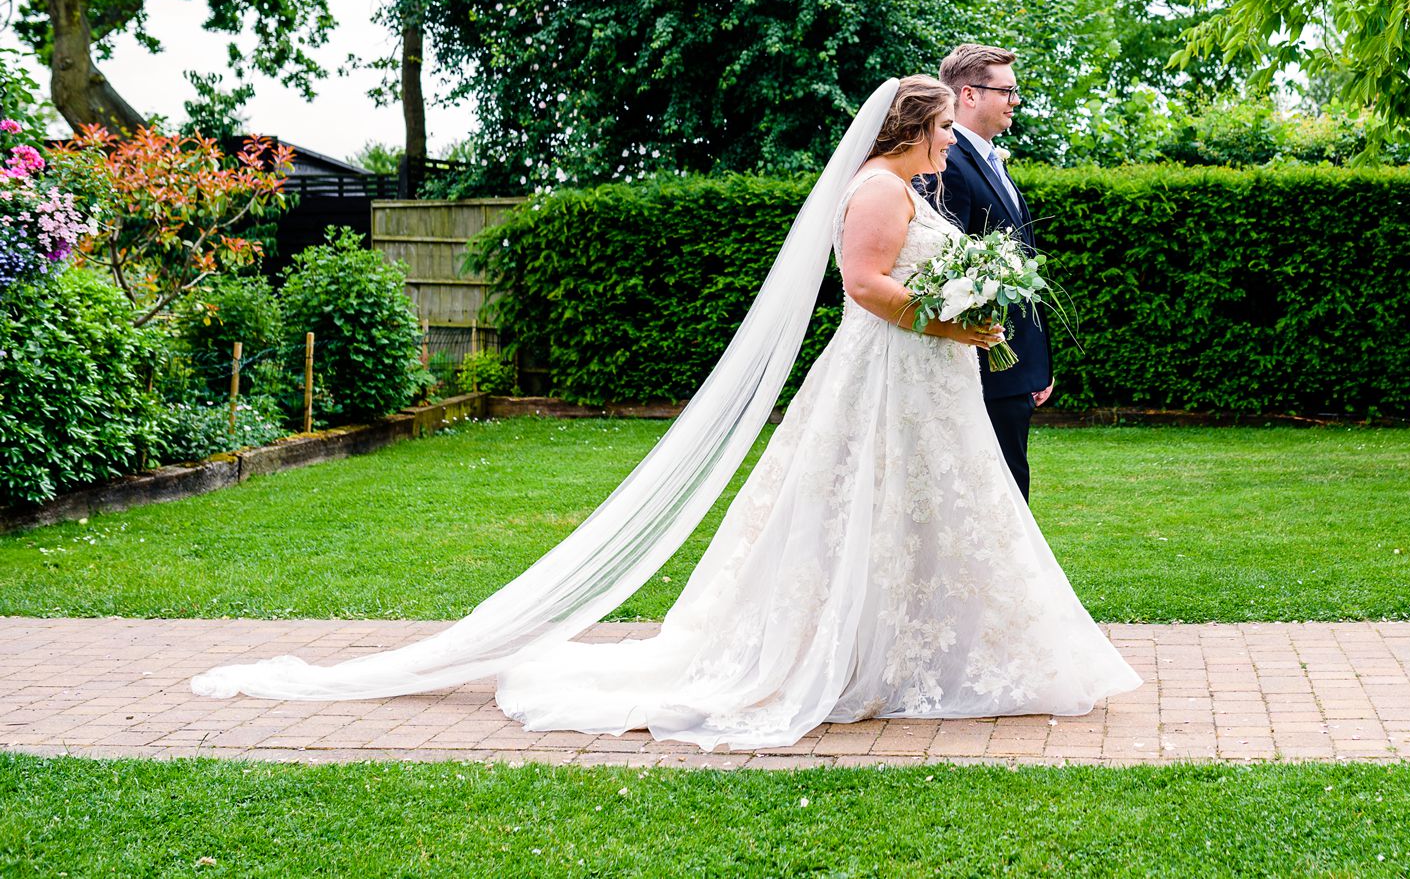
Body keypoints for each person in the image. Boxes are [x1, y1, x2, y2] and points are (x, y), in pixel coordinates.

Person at [191, 75, 1138, 750]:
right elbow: (863, 285)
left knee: (931, 517)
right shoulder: (879, 187)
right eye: (939, 134)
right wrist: (949, 320)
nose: (947, 149)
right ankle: (845, 652)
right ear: (914, 129)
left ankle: (913, 650)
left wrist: (963, 321)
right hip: (889, 376)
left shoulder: (908, 184)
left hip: (926, 382)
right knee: (858, 515)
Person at [934, 44, 1050, 500]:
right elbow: (948, 269)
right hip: (983, 359)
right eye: (1007, 91)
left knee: (1009, 477)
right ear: (969, 94)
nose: (1015, 101)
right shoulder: (947, 165)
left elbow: (1022, 265)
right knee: (996, 487)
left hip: (1016, 361)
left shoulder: (989, 159)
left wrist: (1038, 363)